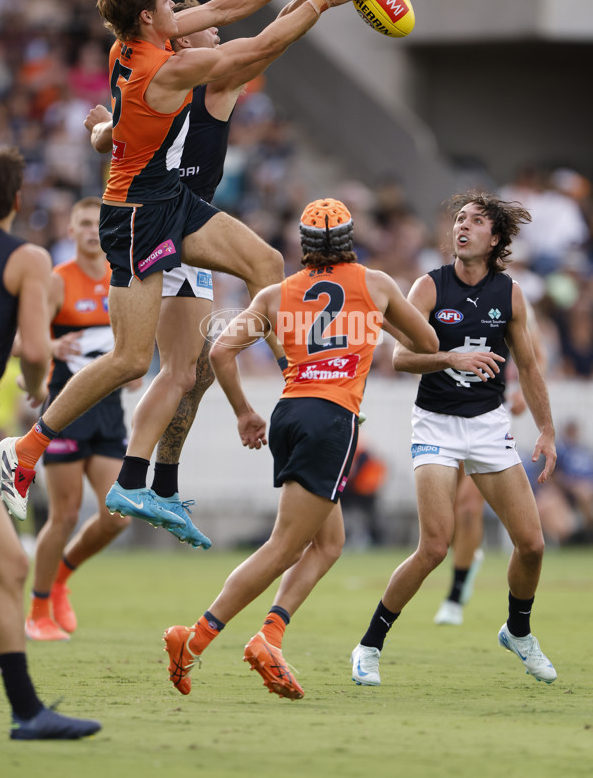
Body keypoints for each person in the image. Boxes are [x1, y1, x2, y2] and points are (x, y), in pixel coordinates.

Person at [0, 0, 372, 534]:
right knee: (127, 361)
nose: (176, 6)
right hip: (137, 215)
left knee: (266, 261)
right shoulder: (165, 70)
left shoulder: (136, 43)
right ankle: (25, 448)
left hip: (171, 200)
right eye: (167, 0)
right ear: (149, 17)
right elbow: (260, 46)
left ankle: (293, 375)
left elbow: (220, 11)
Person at [162, 197, 438, 700]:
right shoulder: (376, 284)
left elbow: (222, 351)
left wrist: (246, 412)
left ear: (303, 246)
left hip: (290, 413)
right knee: (285, 545)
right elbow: (425, 342)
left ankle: (270, 636)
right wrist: (384, 323)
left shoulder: (274, 294)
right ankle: (194, 638)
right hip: (332, 419)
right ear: (352, 240)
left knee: (328, 543)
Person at [351, 191, 558, 687]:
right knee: (434, 546)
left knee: (531, 545)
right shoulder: (428, 286)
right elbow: (398, 359)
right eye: (459, 219)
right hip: (436, 425)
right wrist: (450, 357)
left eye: (476, 221)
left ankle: (518, 631)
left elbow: (527, 365)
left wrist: (547, 430)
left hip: (489, 427)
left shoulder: (508, 294)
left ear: (495, 239)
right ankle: (369, 646)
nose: (462, 227)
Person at [0, 146, 100, 739]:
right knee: (7, 564)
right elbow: (36, 352)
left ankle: (26, 711)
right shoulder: (27, 259)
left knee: (9, 563)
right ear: (16, 200)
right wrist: (38, 391)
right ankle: (27, 713)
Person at [24, 197, 136, 642]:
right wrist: (51, 350)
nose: (93, 230)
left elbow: (134, 343)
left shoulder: (121, 279)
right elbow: (23, 339)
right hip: (65, 412)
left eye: (98, 222)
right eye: (84, 224)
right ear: (70, 232)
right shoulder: (57, 282)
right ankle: (37, 610)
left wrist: (131, 370)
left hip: (109, 412)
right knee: (65, 514)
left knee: (118, 515)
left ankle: (62, 578)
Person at [434, 296, 548, 626]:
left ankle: (454, 596)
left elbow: (535, 355)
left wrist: (519, 395)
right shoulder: (441, 290)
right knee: (449, 511)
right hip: (441, 416)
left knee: (469, 506)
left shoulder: (510, 297)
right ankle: (468, 560)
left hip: (486, 416)